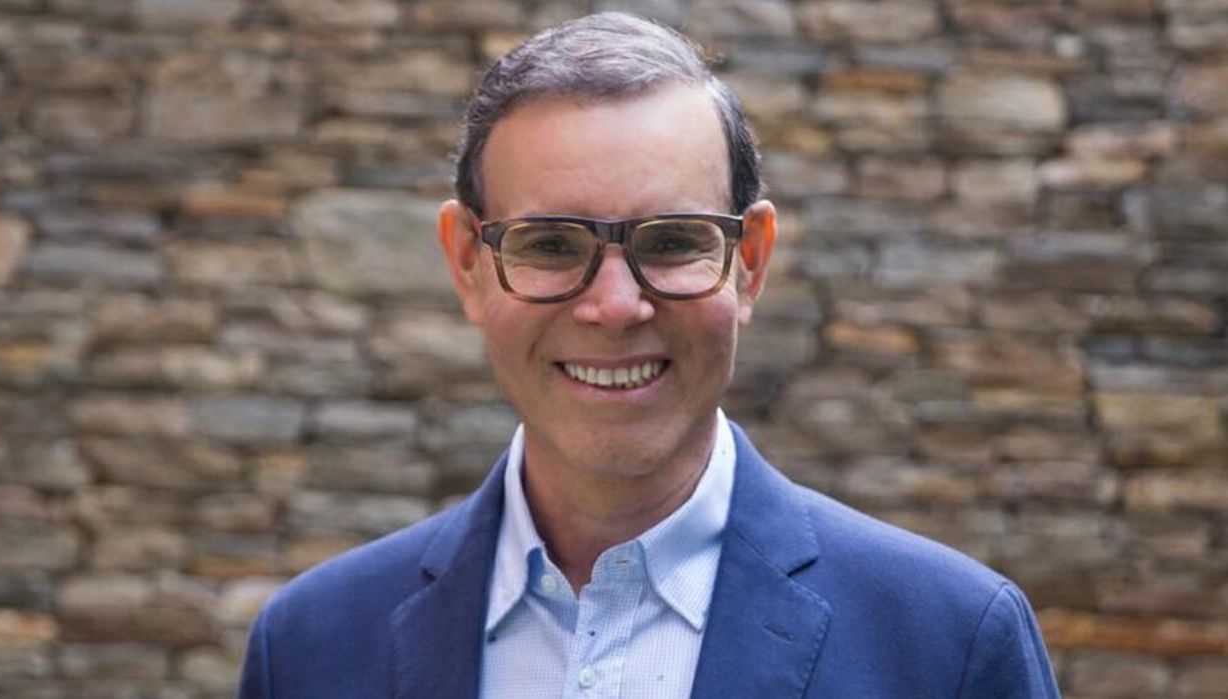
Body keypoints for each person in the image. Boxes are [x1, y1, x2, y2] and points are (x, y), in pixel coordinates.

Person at [236, 12, 1061, 699]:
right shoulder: (310, 649)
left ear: (750, 262)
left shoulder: (948, 646)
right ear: (467, 264)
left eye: (670, 241)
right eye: (551, 244)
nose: (615, 306)